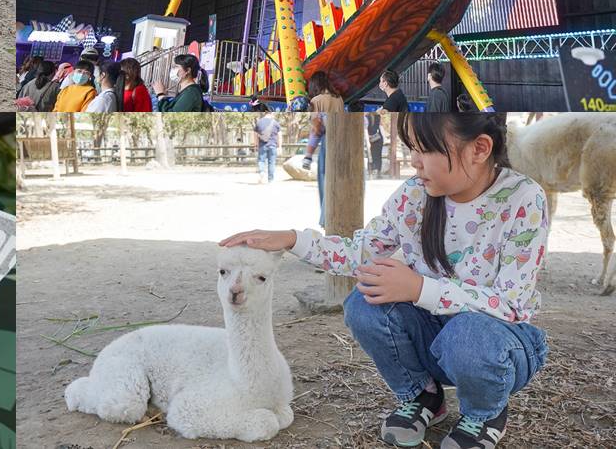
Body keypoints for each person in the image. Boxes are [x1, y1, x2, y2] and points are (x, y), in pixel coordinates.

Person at [222, 113, 547, 449]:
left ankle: (484, 413)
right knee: (364, 303)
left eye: (425, 150)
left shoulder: (522, 198)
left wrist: (420, 288)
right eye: (410, 148)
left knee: (469, 334)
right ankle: (424, 397)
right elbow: (361, 253)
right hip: (434, 336)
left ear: (479, 148)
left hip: (495, 344)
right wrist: (292, 240)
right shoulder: (415, 194)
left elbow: (511, 303)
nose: (414, 162)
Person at [303, 71, 344, 227]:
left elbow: (316, 128)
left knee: (325, 180)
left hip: (327, 143)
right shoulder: (338, 98)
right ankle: (337, 216)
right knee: (337, 181)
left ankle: (326, 219)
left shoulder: (316, 100)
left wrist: (308, 154)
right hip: (341, 140)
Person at [254, 111, 280, 184]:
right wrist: (279, 146)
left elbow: (255, 135)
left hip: (262, 145)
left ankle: (262, 171)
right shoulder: (275, 123)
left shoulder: (259, 122)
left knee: (261, 161)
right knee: (271, 163)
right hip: (273, 145)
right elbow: (279, 135)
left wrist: (256, 145)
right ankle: (271, 180)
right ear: (271, 113)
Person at [366, 111, 384, 178]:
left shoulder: (367, 117)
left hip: (370, 138)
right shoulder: (378, 116)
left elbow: (366, 128)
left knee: (370, 155)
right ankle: (378, 172)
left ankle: (371, 172)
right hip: (378, 137)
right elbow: (380, 126)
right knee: (378, 155)